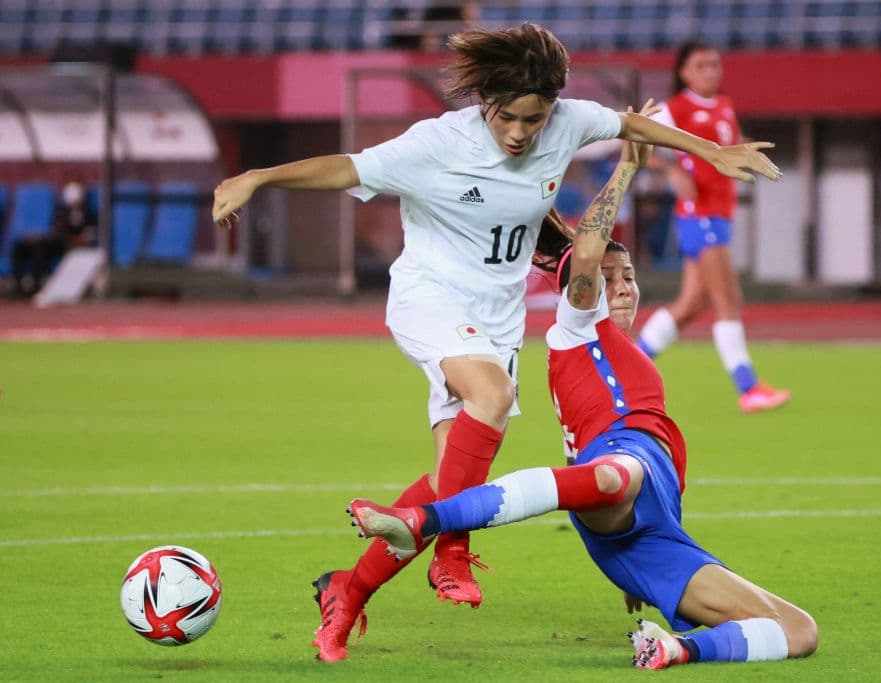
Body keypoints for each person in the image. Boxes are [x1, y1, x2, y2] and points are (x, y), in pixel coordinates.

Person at [211, 23, 781, 663]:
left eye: (532, 121)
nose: (519, 132)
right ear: (486, 103)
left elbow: (632, 126)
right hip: (431, 298)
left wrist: (712, 153)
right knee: (493, 393)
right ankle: (453, 552)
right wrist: (258, 176)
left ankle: (347, 594)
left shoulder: (566, 122)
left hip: (496, 320)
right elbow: (346, 168)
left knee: (446, 476)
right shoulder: (436, 143)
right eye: (507, 118)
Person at [348, 124, 817, 668]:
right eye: (608, 277)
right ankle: (427, 521)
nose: (620, 286)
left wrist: (641, 566)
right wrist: (627, 169)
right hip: (619, 473)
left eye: (630, 277)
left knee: (799, 630)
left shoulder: (622, 355)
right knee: (612, 475)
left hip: (654, 533)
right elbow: (587, 253)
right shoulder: (578, 329)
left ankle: (675, 649)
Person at [635, 40, 790, 413]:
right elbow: (637, 138)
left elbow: (727, 148)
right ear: (684, 72)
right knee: (728, 300)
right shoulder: (675, 109)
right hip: (699, 214)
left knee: (689, 305)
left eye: (714, 65)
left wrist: (745, 151)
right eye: (701, 65)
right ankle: (748, 388)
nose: (710, 71)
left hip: (719, 212)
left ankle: (630, 366)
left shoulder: (724, 106)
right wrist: (671, 169)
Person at [11, 179, 96, 297]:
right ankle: (18, 286)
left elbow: (88, 237)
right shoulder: (61, 213)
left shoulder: (89, 216)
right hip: (54, 242)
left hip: (66, 247)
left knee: (40, 249)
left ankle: (36, 285)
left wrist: (72, 240)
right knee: (20, 246)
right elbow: (55, 230)